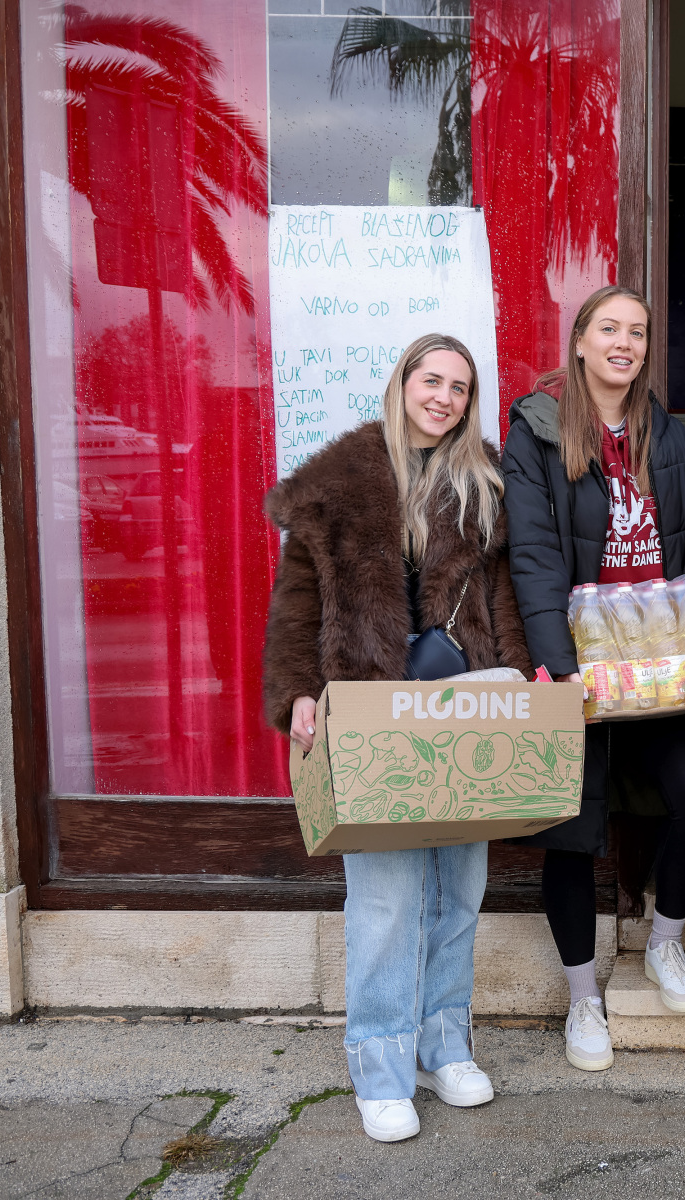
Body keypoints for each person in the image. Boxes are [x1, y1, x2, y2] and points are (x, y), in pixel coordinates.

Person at [262, 333, 531, 1143]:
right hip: (369, 709)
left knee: (457, 892)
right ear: (403, 383)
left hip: (463, 710)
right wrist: (296, 693)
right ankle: (379, 1066)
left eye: (459, 386)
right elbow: (297, 602)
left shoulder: (484, 482)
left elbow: (506, 598)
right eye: (431, 380)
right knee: (383, 901)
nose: (443, 397)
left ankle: (443, 1046)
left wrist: (521, 677)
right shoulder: (336, 483)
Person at [501, 285, 685, 1074]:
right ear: (579, 341)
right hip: (579, 667)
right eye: (609, 328)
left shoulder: (667, 436)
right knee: (572, 831)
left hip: (664, 668)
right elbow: (533, 558)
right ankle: (582, 999)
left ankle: (665, 941)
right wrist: (558, 669)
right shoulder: (537, 433)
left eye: (637, 331)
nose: (624, 343)